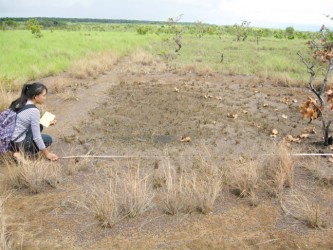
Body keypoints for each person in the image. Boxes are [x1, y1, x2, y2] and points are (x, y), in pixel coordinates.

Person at [10, 82, 58, 161]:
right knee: (47, 139)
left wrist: (45, 122)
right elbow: (37, 138)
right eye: (44, 95)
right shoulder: (34, 111)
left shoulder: (20, 102)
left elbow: (23, 121)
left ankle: (14, 150)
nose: (45, 98)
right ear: (35, 97)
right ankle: (19, 153)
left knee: (39, 126)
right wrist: (47, 154)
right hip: (17, 143)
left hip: (8, 139)